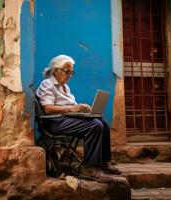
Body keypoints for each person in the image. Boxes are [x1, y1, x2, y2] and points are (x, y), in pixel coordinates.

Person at [36, 54, 121, 182]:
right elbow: (47, 108)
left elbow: (69, 106)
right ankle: (88, 168)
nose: (70, 76)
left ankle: (103, 162)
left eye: (72, 72)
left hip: (66, 119)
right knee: (94, 125)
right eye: (67, 72)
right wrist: (71, 109)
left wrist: (81, 107)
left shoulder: (65, 87)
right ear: (56, 70)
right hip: (54, 122)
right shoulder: (47, 84)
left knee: (102, 122)